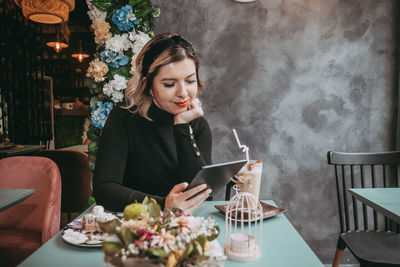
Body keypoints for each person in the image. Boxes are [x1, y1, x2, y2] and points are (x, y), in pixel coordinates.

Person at [93, 33, 212, 214]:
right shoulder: (123, 118)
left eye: (190, 81)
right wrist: (163, 205)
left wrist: (182, 127)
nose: (183, 93)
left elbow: (202, 193)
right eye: (169, 84)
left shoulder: (198, 125)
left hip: (187, 227)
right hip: (133, 226)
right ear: (148, 86)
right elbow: (104, 189)